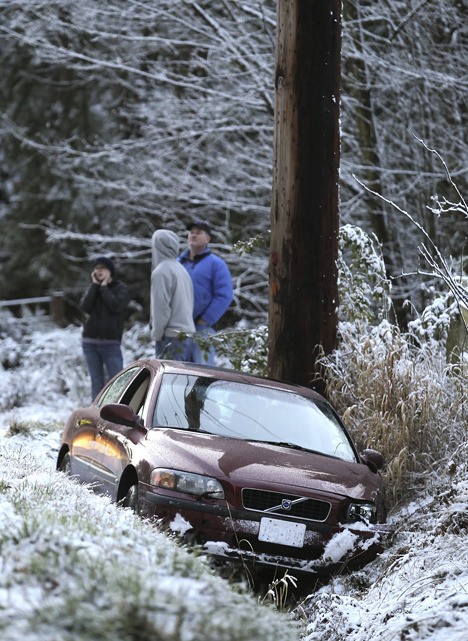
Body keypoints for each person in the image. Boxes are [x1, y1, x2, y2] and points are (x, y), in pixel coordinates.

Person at [178, 219, 233, 365]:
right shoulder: (178, 262)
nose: (193, 235)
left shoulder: (216, 264)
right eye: (191, 232)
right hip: (179, 328)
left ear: (208, 238)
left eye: (198, 233)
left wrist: (205, 319)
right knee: (177, 373)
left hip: (203, 329)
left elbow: (224, 295)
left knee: (202, 374)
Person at [80, 255, 130, 400]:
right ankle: (96, 416)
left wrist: (103, 288)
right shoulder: (93, 289)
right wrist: (95, 286)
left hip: (110, 344)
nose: (98, 271)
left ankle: (119, 414)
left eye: (102, 268)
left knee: (118, 381)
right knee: (96, 383)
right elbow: (85, 307)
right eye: (96, 268)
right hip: (90, 343)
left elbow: (115, 306)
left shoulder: (121, 289)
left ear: (110, 271)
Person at [151, 229, 195, 360]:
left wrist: (157, 334)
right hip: (187, 335)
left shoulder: (161, 271)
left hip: (170, 337)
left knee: (168, 380)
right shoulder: (181, 269)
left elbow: (161, 307)